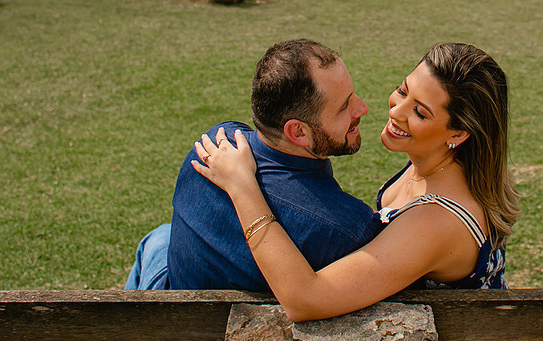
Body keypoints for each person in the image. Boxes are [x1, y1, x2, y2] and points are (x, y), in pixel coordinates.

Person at [194, 42, 519, 320]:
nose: (396, 111)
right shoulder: (443, 164)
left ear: (458, 133)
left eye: (420, 112)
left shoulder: (436, 221)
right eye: (403, 90)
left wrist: (241, 186)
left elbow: (306, 299)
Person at [125, 39, 383, 290]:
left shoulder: (215, 144)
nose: (362, 108)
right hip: (216, 330)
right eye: (344, 106)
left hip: (171, 294)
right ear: (298, 132)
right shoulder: (346, 230)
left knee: (158, 237)